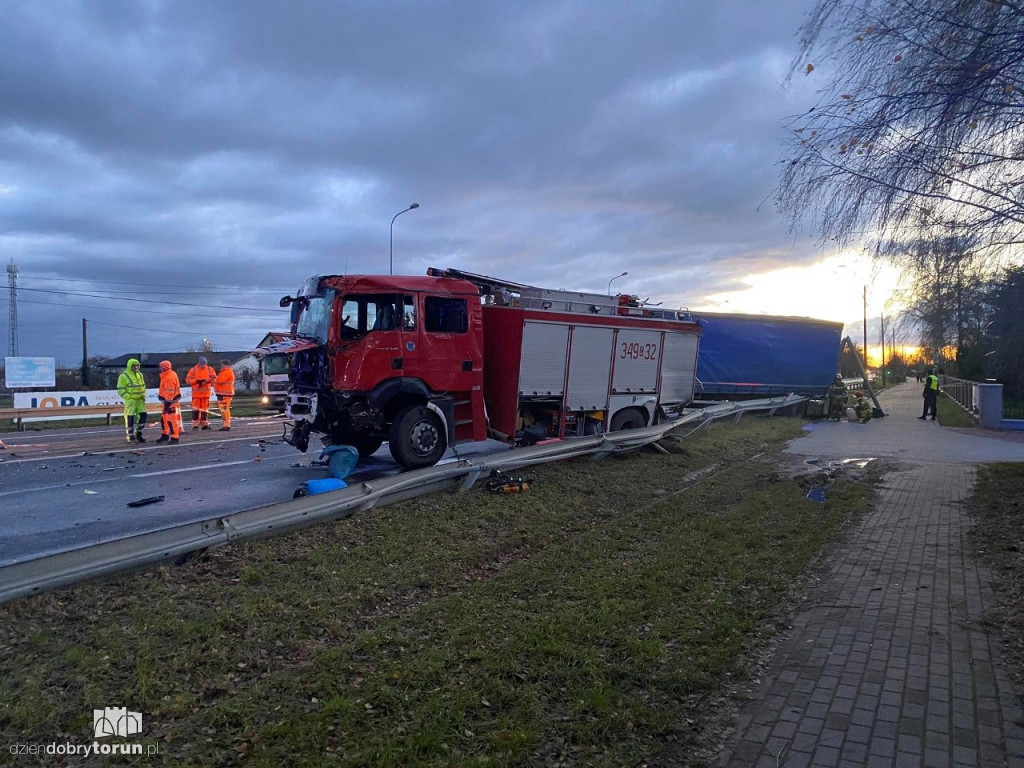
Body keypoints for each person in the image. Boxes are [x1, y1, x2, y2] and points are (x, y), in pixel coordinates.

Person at [116, 358, 148, 443]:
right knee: (130, 418)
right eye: (134, 366)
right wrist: (128, 397)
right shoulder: (123, 376)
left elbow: (143, 386)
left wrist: (143, 396)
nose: (136, 367)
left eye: (137, 365)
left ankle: (139, 433)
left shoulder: (140, 374)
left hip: (140, 400)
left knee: (143, 416)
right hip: (131, 401)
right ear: (130, 366)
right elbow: (120, 389)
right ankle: (130, 436)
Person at [186, 356, 216, 430]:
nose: (203, 365)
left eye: (205, 363)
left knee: (204, 410)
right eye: (202, 363)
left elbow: (214, 378)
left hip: (205, 394)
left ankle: (204, 424)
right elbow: (188, 380)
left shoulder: (210, 369)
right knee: (195, 410)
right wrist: (196, 381)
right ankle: (195, 425)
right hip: (196, 394)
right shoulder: (193, 370)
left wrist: (207, 380)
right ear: (199, 363)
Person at [157, 360, 182, 444]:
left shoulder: (169, 378)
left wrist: (167, 405)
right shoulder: (169, 374)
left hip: (170, 402)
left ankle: (175, 437)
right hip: (168, 402)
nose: (159, 368)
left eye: (161, 367)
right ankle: (165, 435)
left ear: (164, 367)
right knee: (165, 420)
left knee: (171, 421)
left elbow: (169, 393)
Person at [214, 359, 235, 431]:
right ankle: (225, 424)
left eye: (222, 364)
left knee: (224, 410)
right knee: (224, 410)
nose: (221, 366)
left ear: (226, 365)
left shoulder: (226, 372)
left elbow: (219, 381)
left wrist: (215, 378)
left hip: (225, 394)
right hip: (223, 394)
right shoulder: (225, 372)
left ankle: (226, 425)